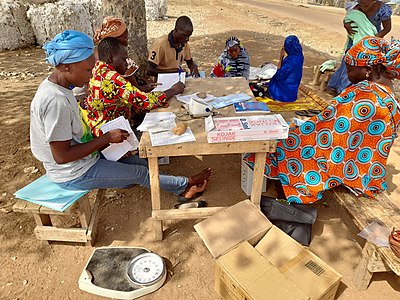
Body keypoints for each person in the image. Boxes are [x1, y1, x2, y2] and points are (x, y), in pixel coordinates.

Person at [30, 30, 211, 201]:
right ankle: (186, 185)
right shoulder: (55, 102)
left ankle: (155, 181)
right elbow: (61, 157)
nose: (92, 75)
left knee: (141, 164)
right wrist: (107, 138)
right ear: (66, 67)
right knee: (140, 174)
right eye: (87, 70)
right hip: (73, 172)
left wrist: (104, 144)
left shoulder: (61, 88)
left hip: (85, 158)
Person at [244, 36, 400, 204]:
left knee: (284, 144)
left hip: (347, 164)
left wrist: (300, 132)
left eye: (349, 70)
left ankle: (287, 195)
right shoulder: (387, 92)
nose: (347, 75)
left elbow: (330, 133)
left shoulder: (364, 95)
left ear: (368, 69)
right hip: (365, 166)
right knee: (294, 133)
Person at [84, 37, 184, 137]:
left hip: (105, 126)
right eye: (123, 59)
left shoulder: (98, 68)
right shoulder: (112, 78)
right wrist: (173, 90)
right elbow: (145, 101)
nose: (126, 63)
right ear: (110, 58)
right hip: (109, 135)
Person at [327, 0, 392, 95]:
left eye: (366, 3)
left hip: (371, 41)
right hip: (355, 39)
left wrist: (371, 40)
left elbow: (387, 28)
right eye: (360, 2)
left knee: (361, 66)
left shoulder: (383, 9)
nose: (362, 5)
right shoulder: (355, 7)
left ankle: (349, 90)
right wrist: (346, 25)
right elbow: (349, 18)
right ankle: (337, 86)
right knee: (348, 62)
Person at [93, 16, 155, 93]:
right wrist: (147, 87)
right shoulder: (117, 60)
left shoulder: (99, 51)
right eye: (125, 38)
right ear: (114, 40)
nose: (127, 41)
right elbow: (135, 90)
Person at [250, 35, 304, 102]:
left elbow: (278, 75)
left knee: (266, 84)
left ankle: (265, 93)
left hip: (283, 95)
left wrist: (281, 57)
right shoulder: (299, 56)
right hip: (292, 95)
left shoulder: (290, 61)